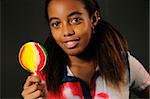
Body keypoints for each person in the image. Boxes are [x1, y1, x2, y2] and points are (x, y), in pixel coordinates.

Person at [21, 0, 150, 99]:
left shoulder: (123, 63)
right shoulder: (43, 78)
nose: (66, 32)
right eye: (56, 24)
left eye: (75, 20)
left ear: (93, 19)